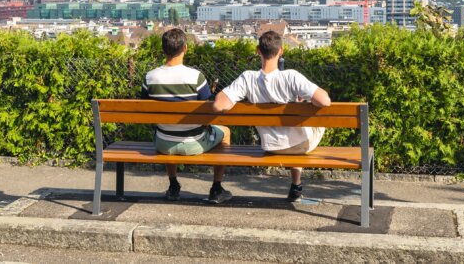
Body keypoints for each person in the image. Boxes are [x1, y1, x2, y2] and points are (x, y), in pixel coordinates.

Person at [213, 30, 331, 202]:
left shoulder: (247, 78)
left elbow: (218, 105)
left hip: (270, 145)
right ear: (281, 51)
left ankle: (296, 187)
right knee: (309, 126)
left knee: (293, 131)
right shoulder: (291, 76)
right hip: (299, 145)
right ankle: (296, 186)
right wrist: (301, 104)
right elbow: (325, 101)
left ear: (258, 51)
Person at [141, 28, 232, 204]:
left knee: (167, 128)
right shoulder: (196, 77)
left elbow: (145, 108)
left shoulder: (150, 77)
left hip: (163, 144)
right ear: (185, 48)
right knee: (226, 132)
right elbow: (209, 111)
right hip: (193, 144)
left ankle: (173, 185)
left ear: (163, 49)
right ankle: (216, 188)